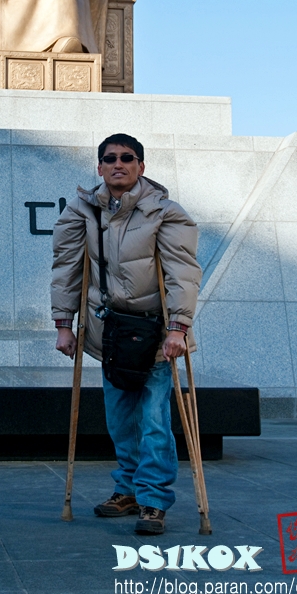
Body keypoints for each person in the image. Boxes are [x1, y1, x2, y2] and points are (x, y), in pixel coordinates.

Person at [50, 133, 202, 534]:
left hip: (156, 333)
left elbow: (182, 273)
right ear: (100, 167)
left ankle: (153, 499)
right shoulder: (82, 209)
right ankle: (129, 489)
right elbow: (66, 267)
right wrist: (64, 324)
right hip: (109, 332)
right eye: (110, 158)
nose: (119, 164)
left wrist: (178, 328)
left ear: (141, 166)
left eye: (127, 158)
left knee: (153, 421)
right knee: (120, 420)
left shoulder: (165, 212)